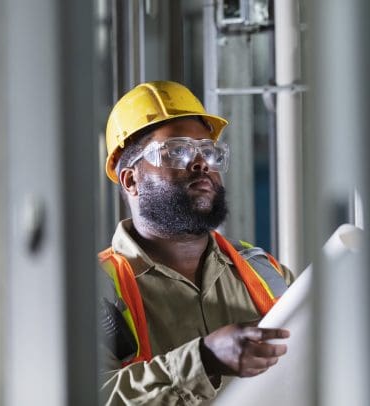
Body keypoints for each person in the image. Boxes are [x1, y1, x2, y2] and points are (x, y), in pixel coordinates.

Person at [99, 80, 294, 405]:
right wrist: (203, 360)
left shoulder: (264, 273)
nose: (202, 163)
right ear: (131, 180)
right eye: (177, 151)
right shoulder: (93, 294)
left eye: (209, 151)